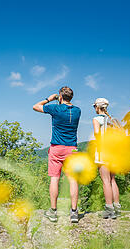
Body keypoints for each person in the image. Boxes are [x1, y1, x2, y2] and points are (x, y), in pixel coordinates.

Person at [33, 86, 81, 223]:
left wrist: (49, 99)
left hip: (56, 148)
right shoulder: (78, 111)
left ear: (60, 97)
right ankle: (74, 212)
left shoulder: (55, 109)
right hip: (72, 148)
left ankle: (53, 212)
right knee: (73, 179)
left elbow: (35, 106)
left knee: (55, 178)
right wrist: (59, 99)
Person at [92, 98, 121, 219]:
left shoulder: (96, 119)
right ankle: (117, 207)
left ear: (98, 107)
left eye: (94, 106)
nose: (94, 109)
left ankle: (109, 209)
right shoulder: (112, 120)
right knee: (112, 180)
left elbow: (97, 135)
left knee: (105, 180)